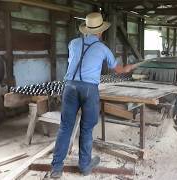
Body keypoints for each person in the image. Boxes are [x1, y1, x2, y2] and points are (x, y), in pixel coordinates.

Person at [50, 12, 136, 178]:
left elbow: (76, 61)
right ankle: (84, 166)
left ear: (86, 30)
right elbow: (118, 70)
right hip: (89, 89)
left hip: (69, 87)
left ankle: (56, 168)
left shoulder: (73, 43)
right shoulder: (103, 48)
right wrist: (128, 68)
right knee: (87, 128)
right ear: (100, 32)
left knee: (65, 127)